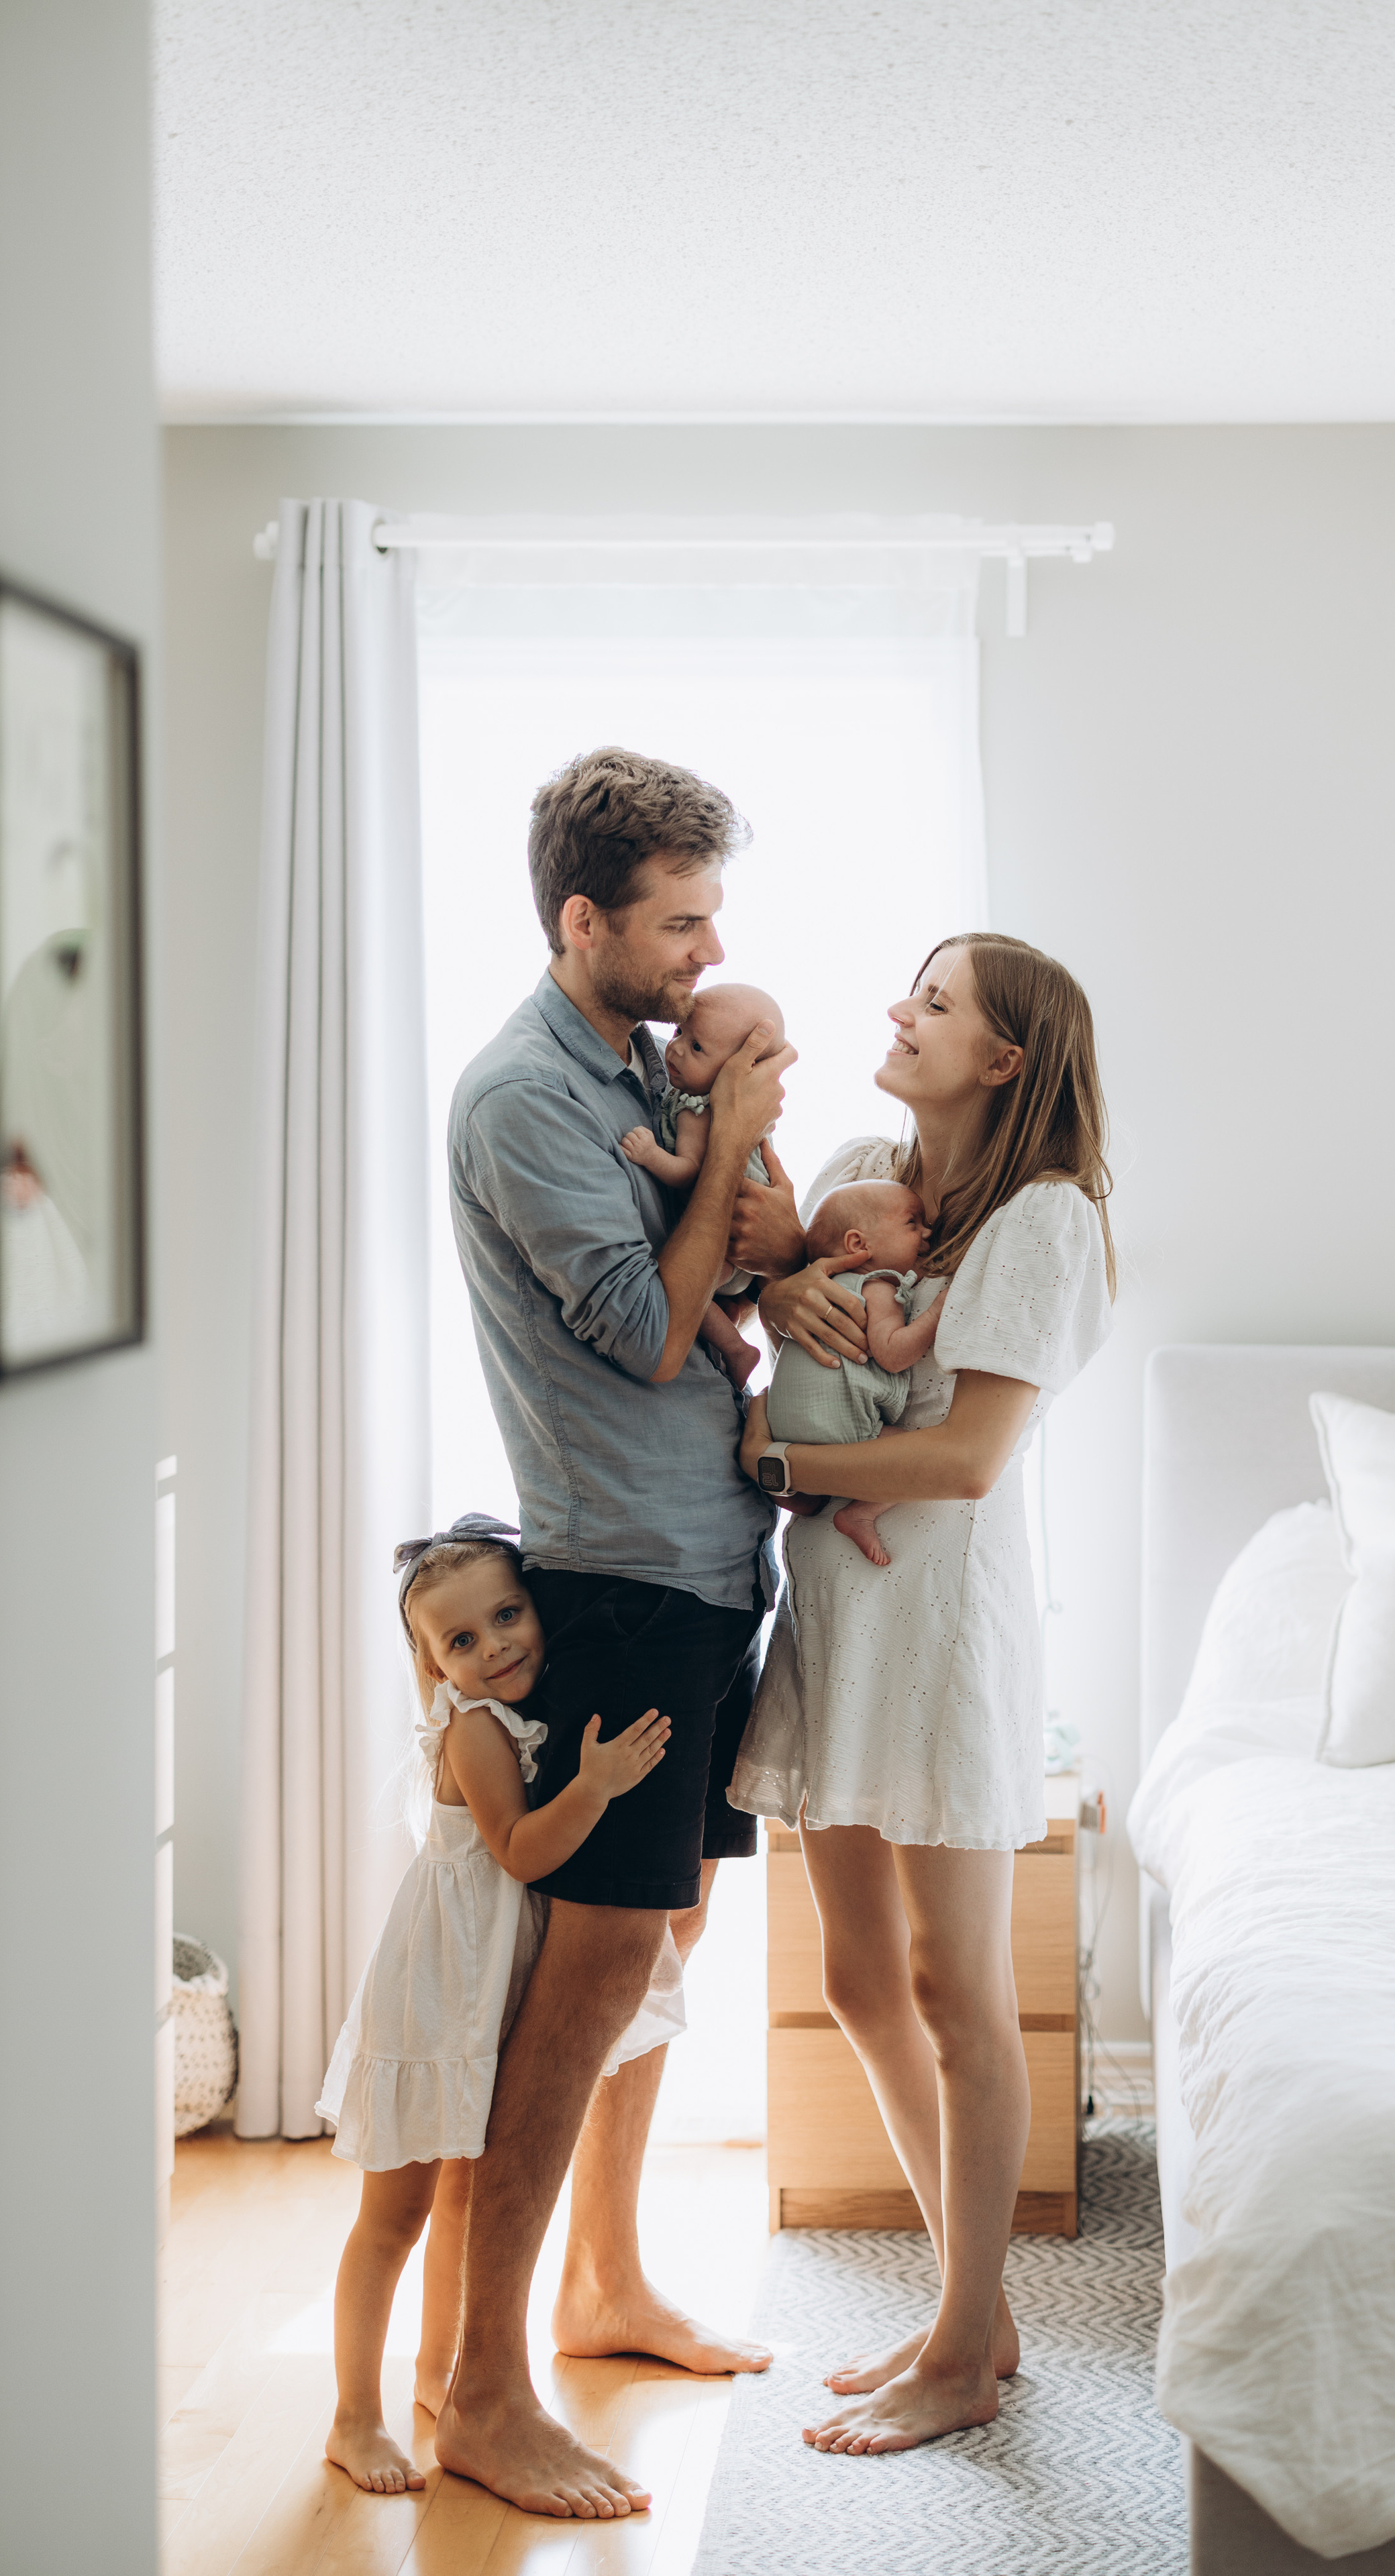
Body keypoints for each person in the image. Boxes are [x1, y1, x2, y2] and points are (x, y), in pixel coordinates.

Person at [437, 746, 792, 2520]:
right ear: (582, 920)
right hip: (623, 1583)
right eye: (677, 920)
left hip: (716, 1565)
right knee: (576, 1999)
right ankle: (481, 2390)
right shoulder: (523, 1100)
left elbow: (717, 1287)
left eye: (709, 913)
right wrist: (726, 1155)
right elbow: (652, 1340)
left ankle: (608, 2282)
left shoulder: (647, 1062)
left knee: (660, 1962)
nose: (704, 947)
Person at [731, 930, 1116, 2457]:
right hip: (832, 1614)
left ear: (1005, 1057)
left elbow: (962, 1460)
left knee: (958, 1989)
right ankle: (974, 2307)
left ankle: (962, 2342)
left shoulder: (1045, 1221)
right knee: (856, 1979)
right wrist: (783, 1287)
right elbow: (775, 1303)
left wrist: (772, 1463)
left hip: (943, 1629)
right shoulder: (850, 1163)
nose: (899, 1010)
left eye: (936, 1001)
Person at [318, 1516, 674, 2496]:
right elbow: (520, 1852)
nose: (496, 1647)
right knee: (395, 2213)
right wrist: (597, 1789)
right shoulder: (474, 1731)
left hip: (481, 1987)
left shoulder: (524, 1710)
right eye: (461, 1643)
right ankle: (354, 2416)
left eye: (507, 1615)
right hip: (437, 1997)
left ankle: (444, 2374)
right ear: (433, 1667)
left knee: (468, 2196)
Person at [763, 1181, 945, 1565]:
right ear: (858, 1245)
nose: (927, 1232)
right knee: (915, 1456)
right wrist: (940, 1310)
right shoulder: (877, 1285)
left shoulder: (815, 1292)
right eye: (913, 1223)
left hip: (782, 1427)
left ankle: (803, 1494)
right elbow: (894, 1354)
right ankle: (859, 1513)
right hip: (838, 1428)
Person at [621, 979, 787, 1387]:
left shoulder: (696, 1108)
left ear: (737, 1071)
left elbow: (689, 1169)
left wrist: (650, 1156)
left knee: (678, 1295)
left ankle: (735, 1348)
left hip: (732, 1244)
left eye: (697, 1048)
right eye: (680, 1032)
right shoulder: (711, 1098)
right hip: (742, 1251)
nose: (674, 1048)